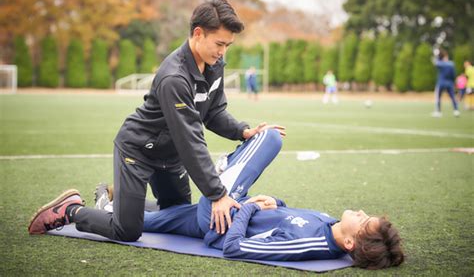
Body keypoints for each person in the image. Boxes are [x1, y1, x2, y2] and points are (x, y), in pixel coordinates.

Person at [28, 0, 285, 241]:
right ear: (198, 33)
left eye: (228, 45)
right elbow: (190, 141)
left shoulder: (214, 64)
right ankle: (71, 210)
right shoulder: (175, 77)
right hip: (138, 150)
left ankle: (117, 200)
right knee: (127, 229)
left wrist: (243, 131)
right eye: (219, 44)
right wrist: (217, 194)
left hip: (170, 157)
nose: (223, 51)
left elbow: (214, 112)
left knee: (175, 216)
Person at [96, 129, 404, 270]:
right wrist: (275, 201)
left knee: (269, 138)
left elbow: (235, 248)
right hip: (220, 215)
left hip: (221, 221)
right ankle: (106, 206)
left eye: (363, 219)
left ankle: (219, 180)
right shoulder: (327, 221)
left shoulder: (311, 245)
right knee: (143, 222)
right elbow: (282, 216)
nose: (361, 211)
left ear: (350, 243)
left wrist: (249, 207)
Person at [431, 50, 460, 117]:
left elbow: (435, 62)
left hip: (441, 82)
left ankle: (438, 111)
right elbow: (453, 75)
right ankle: (456, 110)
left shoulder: (440, 63)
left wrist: (436, 55)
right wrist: (453, 82)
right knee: (453, 97)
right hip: (449, 83)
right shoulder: (451, 64)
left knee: (438, 97)